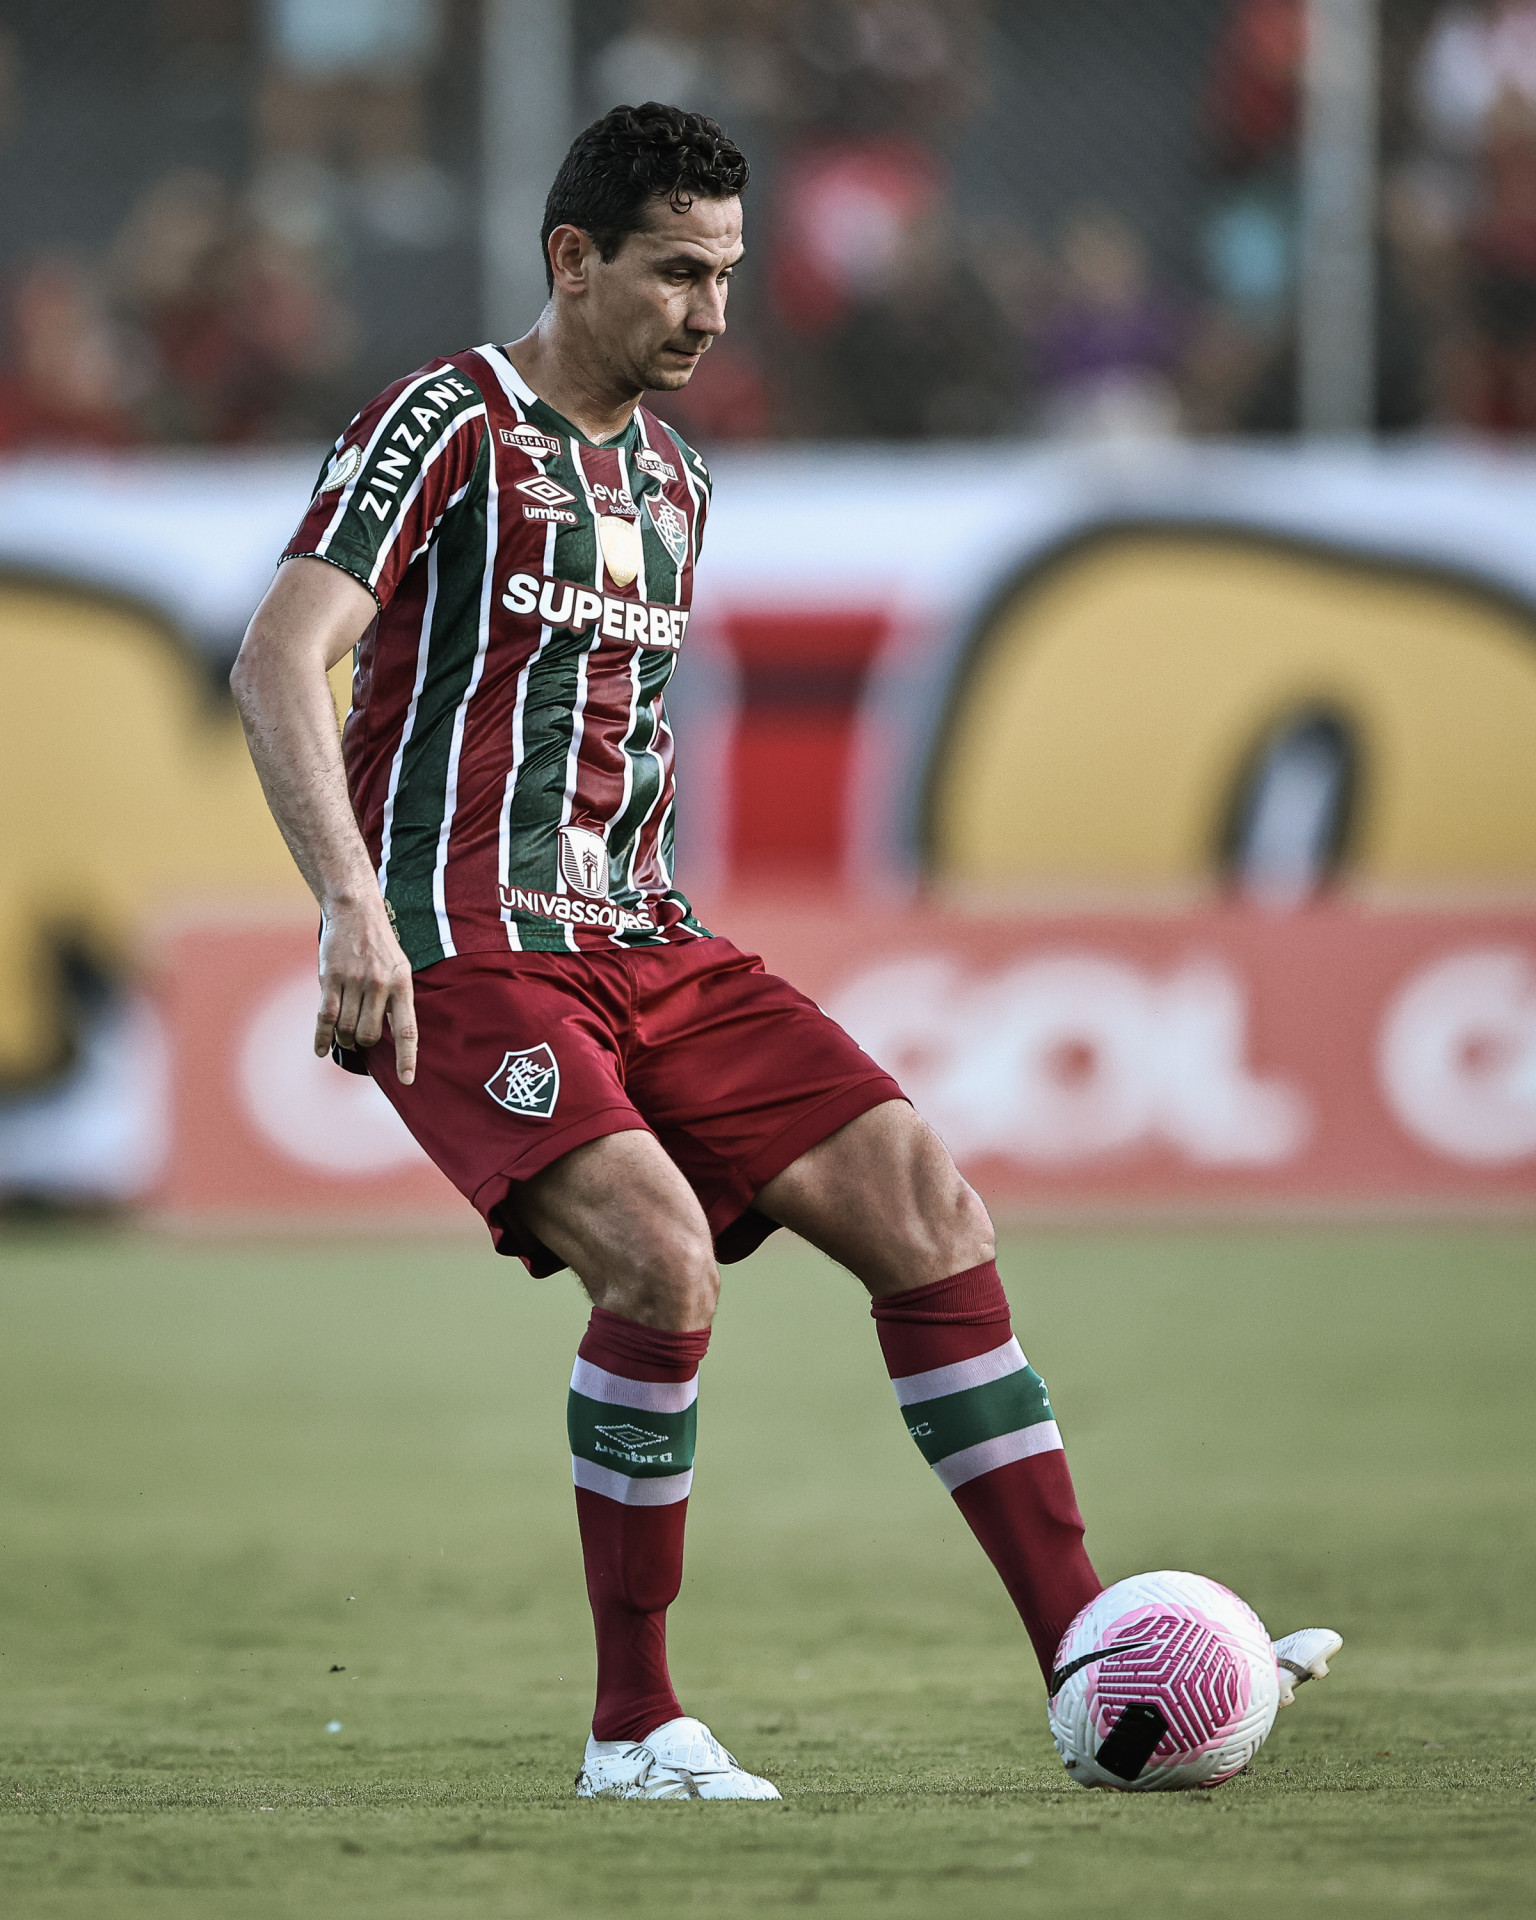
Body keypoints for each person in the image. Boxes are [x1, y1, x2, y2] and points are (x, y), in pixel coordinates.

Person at [231, 102, 1339, 1802]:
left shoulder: (675, 477)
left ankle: (1093, 1652)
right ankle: (634, 1733)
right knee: (662, 1265)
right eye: (679, 272)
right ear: (572, 257)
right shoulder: (447, 420)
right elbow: (279, 656)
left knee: (926, 1202)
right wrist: (351, 902)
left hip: (646, 933)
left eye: (731, 276)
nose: (712, 312)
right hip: (468, 947)